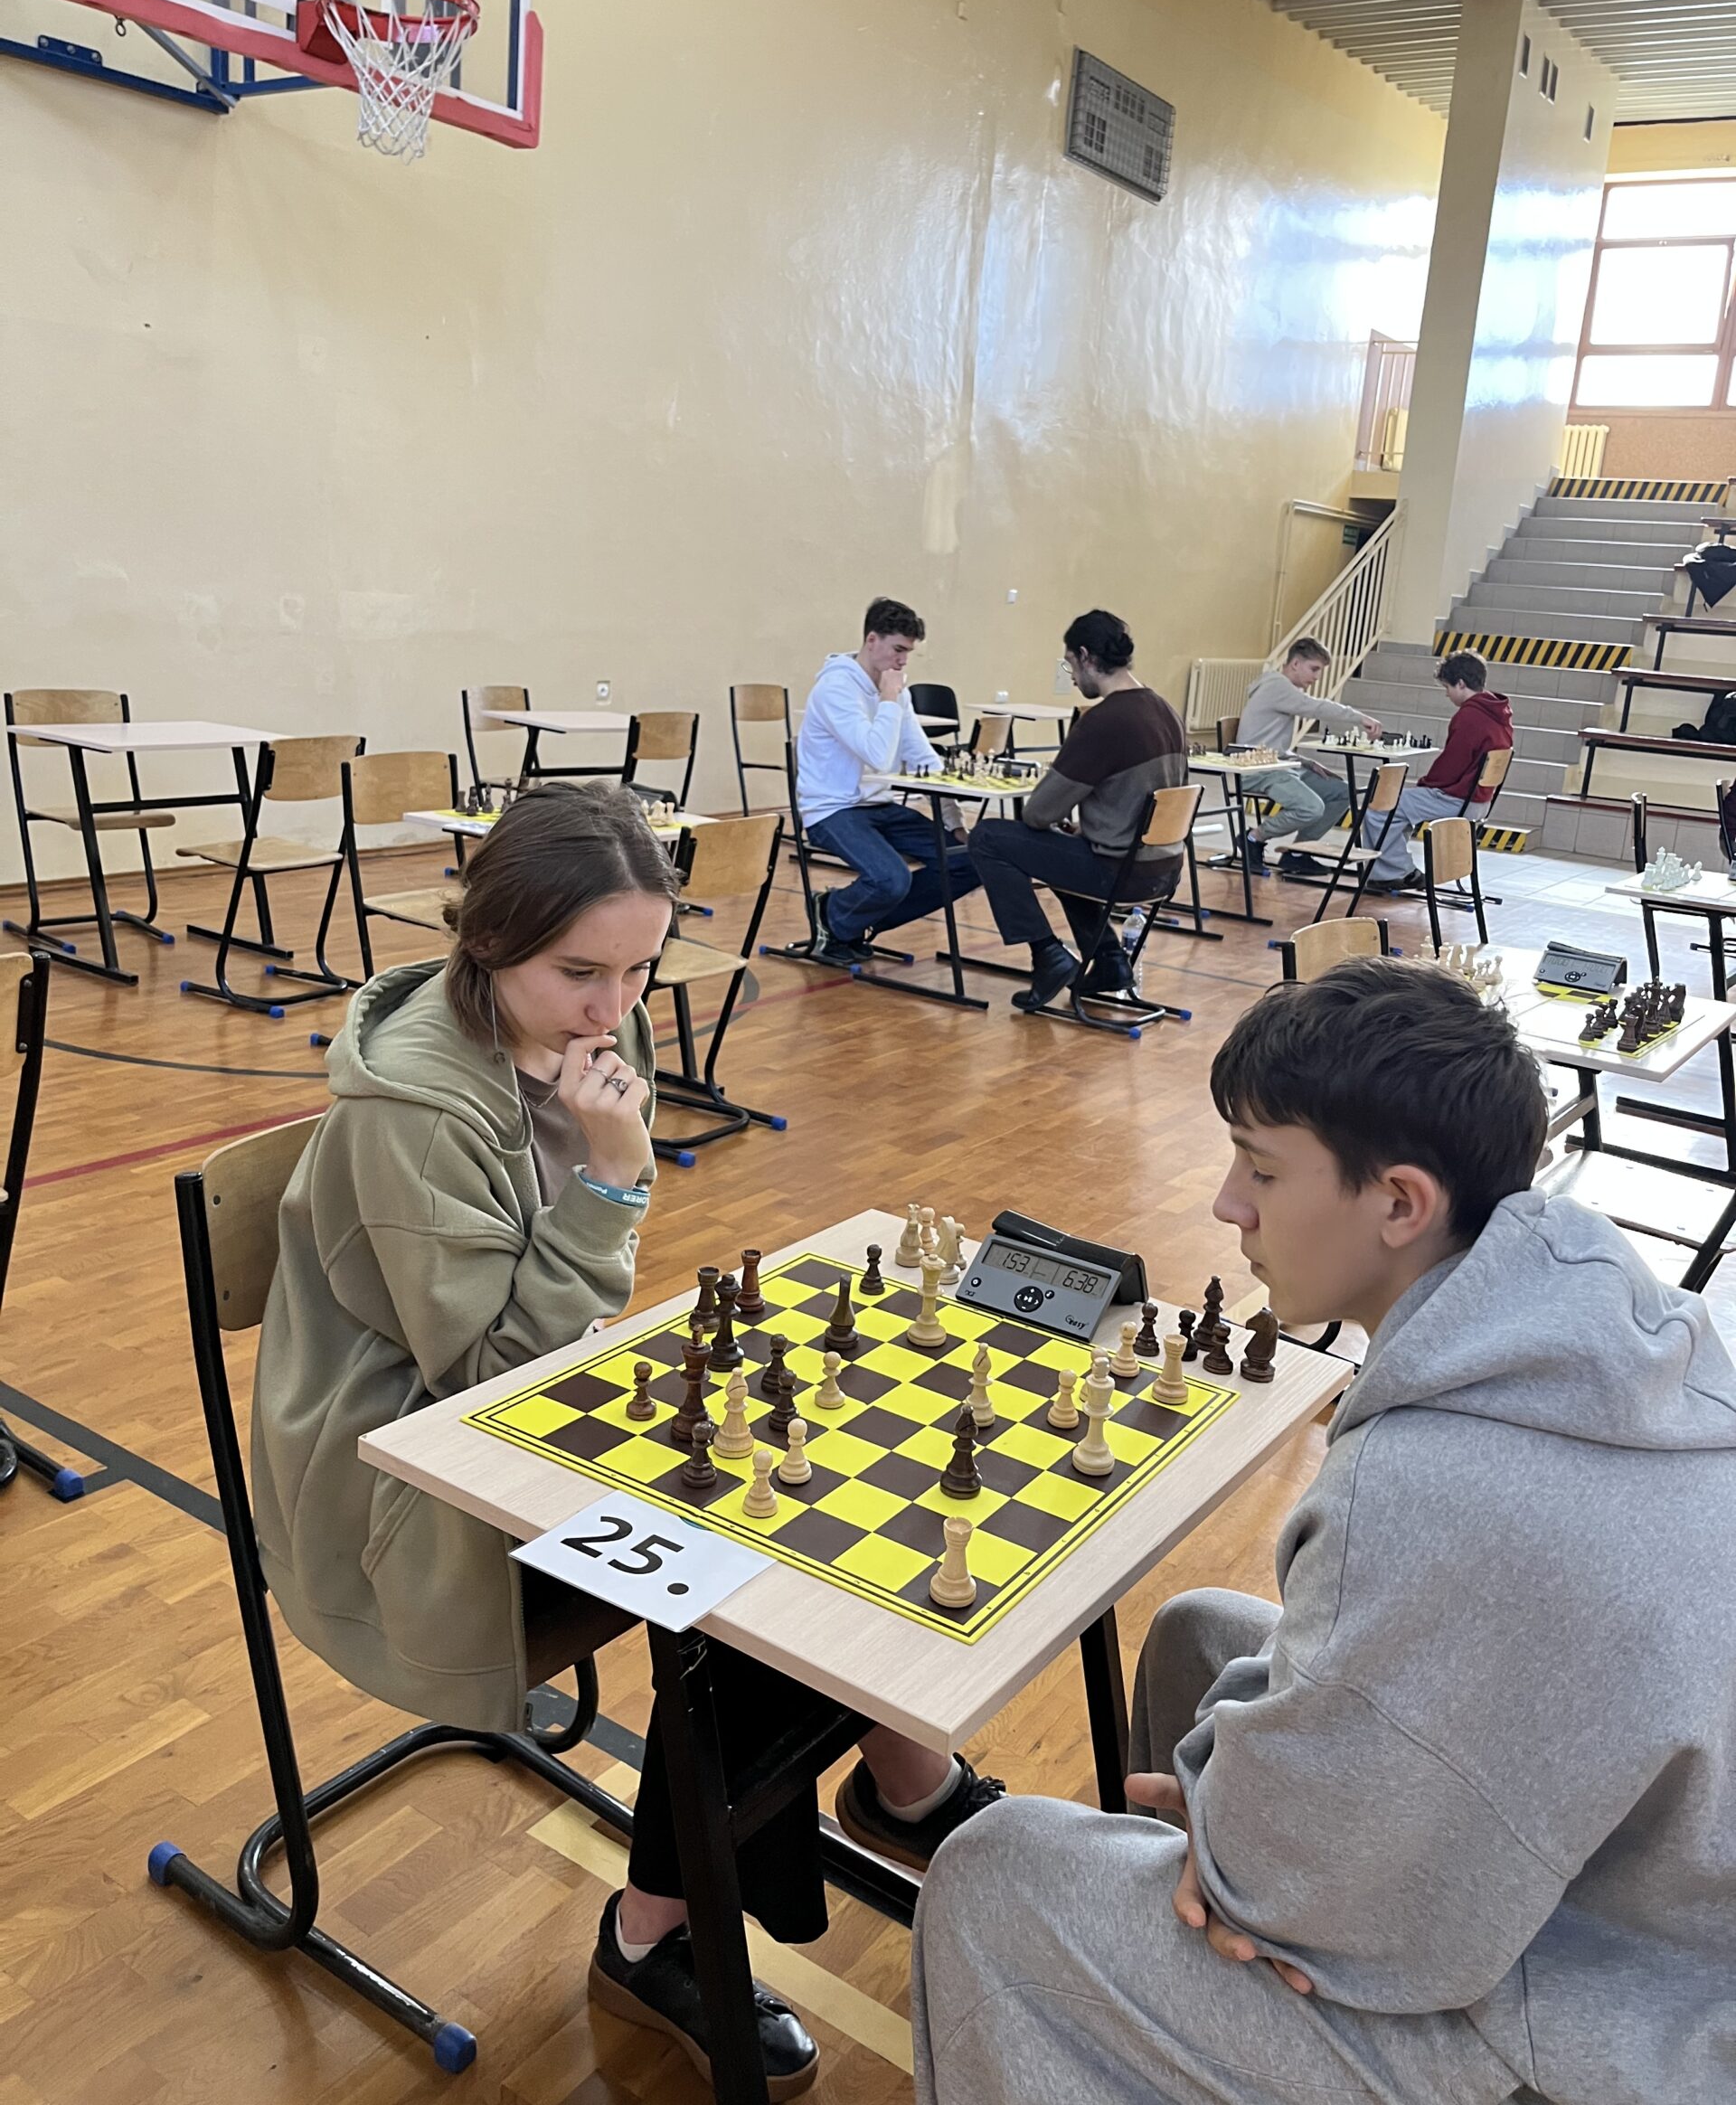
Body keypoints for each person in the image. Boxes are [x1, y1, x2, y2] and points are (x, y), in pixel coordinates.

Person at [250, 782, 1003, 2100]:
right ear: (487, 943)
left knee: (815, 1519)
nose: (616, 1009)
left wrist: (604, 1176)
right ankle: (658, 1931)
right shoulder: (414, 1110)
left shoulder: (588, 1027)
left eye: (642, 967)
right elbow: (484, 1375)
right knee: (753, 1589)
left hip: (530, 1410)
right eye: (580, 973)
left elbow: (551, 1330)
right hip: (399, 1476)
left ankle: (899, 1774)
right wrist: (610, 1178)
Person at [912, 956, 1736, 2105]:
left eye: (1260, 1169)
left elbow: (1294, 1895)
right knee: (1198, 1630)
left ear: (1400, 1202)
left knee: (995, 1873)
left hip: (1620, 2025)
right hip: (1643, 1892)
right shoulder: (1593, 1312)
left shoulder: (1425, 1478)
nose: (1227, 1205)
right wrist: (1226, 1824)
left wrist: (1238, 1869)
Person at [969, 610, 1187, 1006]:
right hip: (1165, 869)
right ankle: (1109, 961)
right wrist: (1089, 829)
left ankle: (1047, 955)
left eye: (1070, 663)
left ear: (1086, 656)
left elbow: (1038, 813)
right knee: (1059, 846)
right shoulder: (1165, 710)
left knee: (988, 837)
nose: (1071, 676)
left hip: (1121, 873)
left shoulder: (1104, 720)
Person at [797, 596, 978, 967]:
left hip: (880, 807)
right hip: (832, 810)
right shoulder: (836, 688)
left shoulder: (896, 693)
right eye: (898, 649)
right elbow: (877, 756)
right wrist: (890, 697)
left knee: (970, 862)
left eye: (908, 652)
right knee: (891, 879)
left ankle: (855, 922)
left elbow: (923, 757)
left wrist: (955, 823)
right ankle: (833, 913)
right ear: (872, 640)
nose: (903, 661)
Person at [1230, 637, 1384, 881]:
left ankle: (1298, 853)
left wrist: (1304, 761)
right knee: (1311, 808)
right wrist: (1359, 718)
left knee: (1342, 792)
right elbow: (1316, 707)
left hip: (1279, 765)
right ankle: (1253, 837)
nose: (1317, 677)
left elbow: (1272, 745)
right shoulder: (1276, 686)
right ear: (1295, 664)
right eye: (1314, 669)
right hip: (1258, 771)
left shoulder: (1282, 688)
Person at [1363, 651, 1514, 892]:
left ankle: (1396, 872)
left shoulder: (1470, 715)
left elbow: (1451, 765)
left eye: (1447, 687)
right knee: (1401, 806)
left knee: (1380, 806)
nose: (1446, 693)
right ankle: (1392, 869)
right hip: (1480, 800)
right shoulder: (1498, 712)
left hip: (1458, 799)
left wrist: (1426, 783)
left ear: (1461, 684)